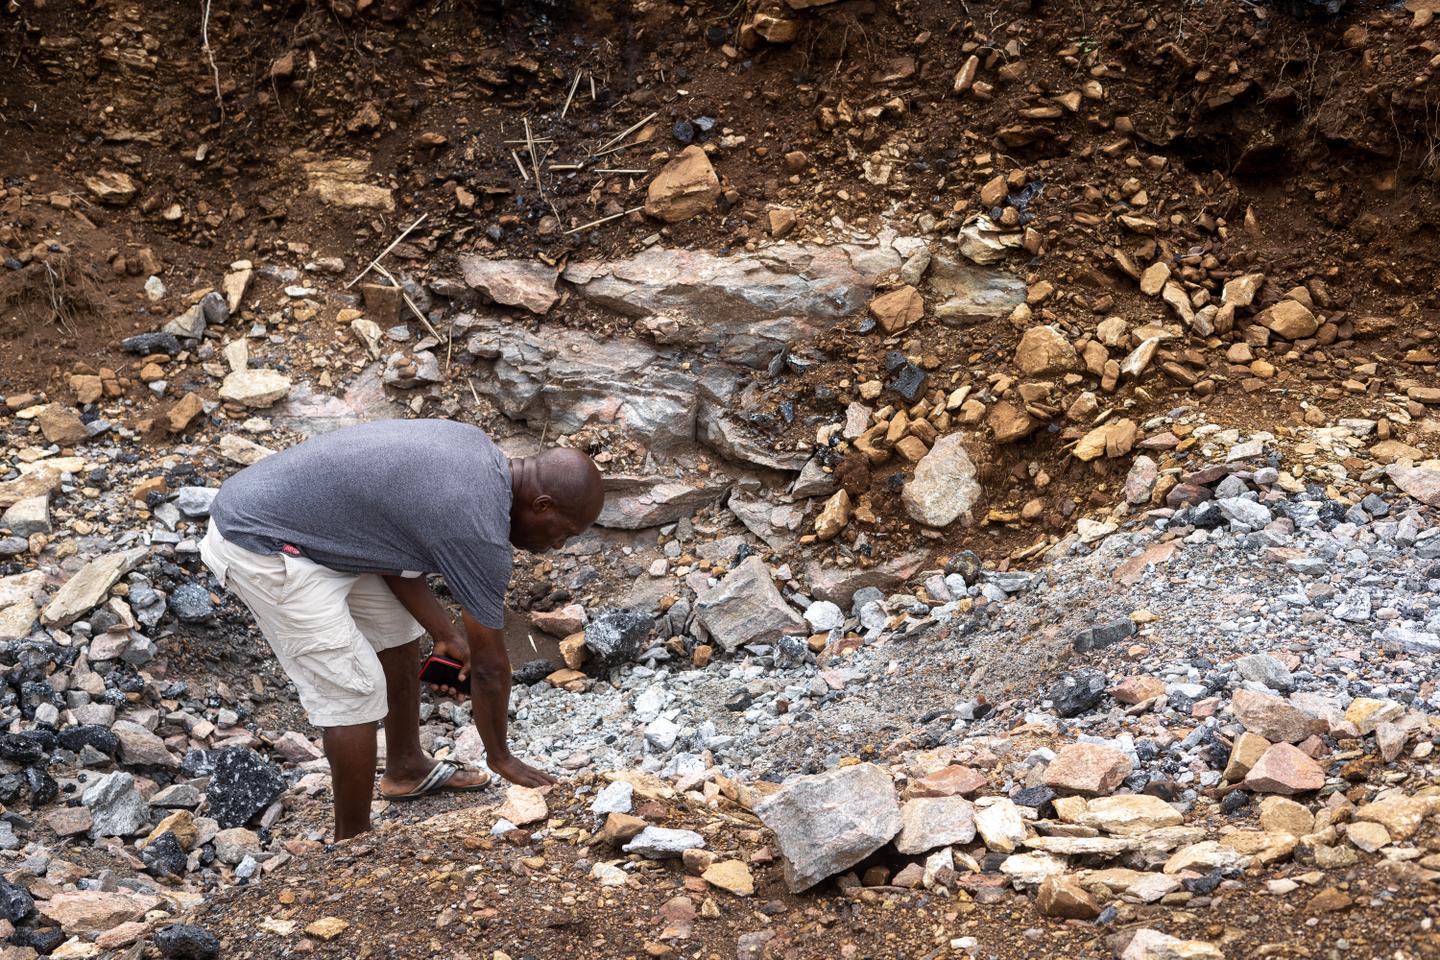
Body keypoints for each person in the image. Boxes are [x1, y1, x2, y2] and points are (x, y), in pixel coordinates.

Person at [199, 418, 604, 839]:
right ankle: (352, 845)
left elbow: (396, 549)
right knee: (354, 689)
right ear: (540, 505)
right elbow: (489, 668)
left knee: (395, 631)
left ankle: (406, 769)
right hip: (260, 539)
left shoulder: (477, 453)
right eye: (563, 533)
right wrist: (501, 757)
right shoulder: (480, 530)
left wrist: (445, 634)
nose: (558, 545)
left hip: (314, 528)